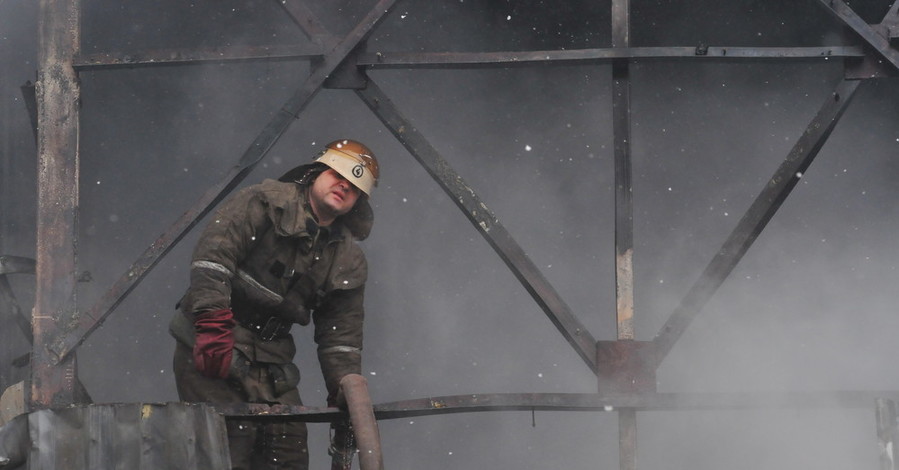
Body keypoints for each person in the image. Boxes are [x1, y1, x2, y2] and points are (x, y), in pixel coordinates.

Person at [168, 139, 379, 469]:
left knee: (288, 454)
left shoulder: (348, 260)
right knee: (227, 449)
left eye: (354, 186)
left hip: (272, 359)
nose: (343, 185)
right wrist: (211, 324)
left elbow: (341, 339)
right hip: (214, 344)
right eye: (338, 174)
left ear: (358, 202)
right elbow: (213, 259)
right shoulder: (263, 202)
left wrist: (345, 392)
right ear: (316, 172)